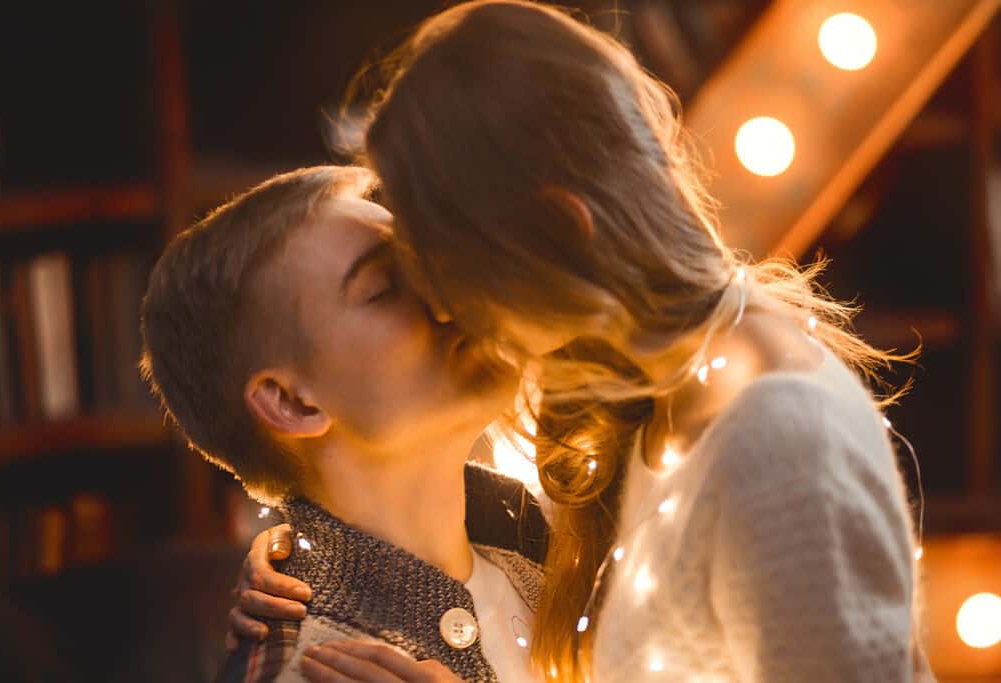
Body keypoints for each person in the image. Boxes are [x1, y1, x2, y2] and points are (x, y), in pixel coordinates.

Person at [230, 2, 932, 681]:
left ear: (557, 231)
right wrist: (315, 558)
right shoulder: (626, 394)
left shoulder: (781, 439)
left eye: (441, 270)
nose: (441, 310)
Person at [139, 165, 550, 683]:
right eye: (383, 287)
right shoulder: (307, 668)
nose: (450, 293)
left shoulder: (557, 551)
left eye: (427, 263)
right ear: (293, 402)